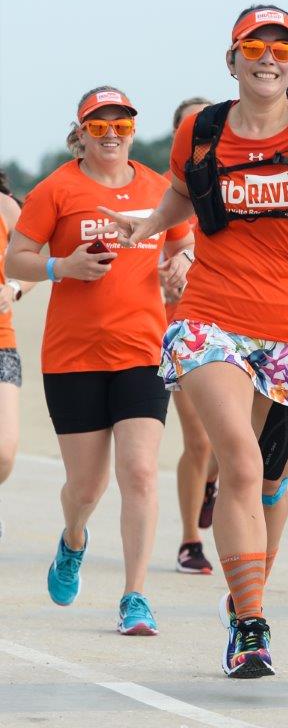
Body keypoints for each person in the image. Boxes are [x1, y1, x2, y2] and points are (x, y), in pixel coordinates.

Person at [97, 6, 288, 677]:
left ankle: (241, 596)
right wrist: (147, 229)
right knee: (240, 466)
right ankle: (252, 627)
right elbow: (180, 199)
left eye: (282, 46)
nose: (268, 56)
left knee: (273, 487)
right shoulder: (202, 131)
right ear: (232, 60)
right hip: (211, 322)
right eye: (254, 44)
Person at [5, 86, 194, 634]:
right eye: (99, 126)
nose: (112, 135)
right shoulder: (56, 189)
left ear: (134, 129)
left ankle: (135, 596)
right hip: (74, 356)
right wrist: (62, 268)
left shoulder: (159, 187)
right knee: (86, 487)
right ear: (81, 132)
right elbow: (16, 256)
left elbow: (182, 244)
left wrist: (179, 267)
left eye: (122, 125)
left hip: (142, 349)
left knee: (138, 472)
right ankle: (73, 538)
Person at [160, 97, 219, 575]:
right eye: (193, 128)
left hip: (234, 327)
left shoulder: (237, 185)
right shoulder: (164, 194)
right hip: (176, 327)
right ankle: (189, 540)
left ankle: (212, 485)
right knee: (198, 439)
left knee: (233, 442)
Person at [0, 171, 35, 539]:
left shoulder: (6, 208)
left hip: (1, 340)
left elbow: (33, 263)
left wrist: (12, 288)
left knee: (4, 452)